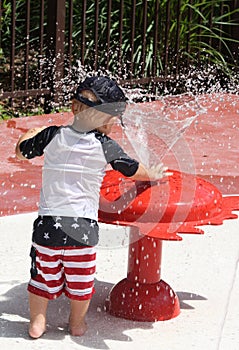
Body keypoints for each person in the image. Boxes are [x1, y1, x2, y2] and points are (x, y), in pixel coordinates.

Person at [15, 75, 171, 339]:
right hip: (84, 229)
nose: (113, 123)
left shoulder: (52, 136)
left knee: (41, 277)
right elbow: (132, 169)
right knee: (81, 280)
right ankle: (77, 324)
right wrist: (153, 173)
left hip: (48, 226)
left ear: (74, 108)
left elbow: (21, 152)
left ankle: (37, 323)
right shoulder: (104, 145)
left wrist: (28, 136)